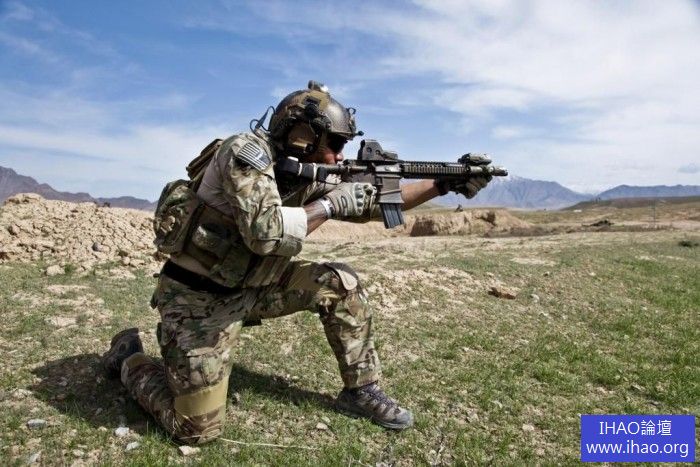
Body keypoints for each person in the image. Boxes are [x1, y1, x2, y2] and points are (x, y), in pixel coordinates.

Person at [102, 81, 491, 444]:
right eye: (335, 143)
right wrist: (329, 205)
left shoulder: (306, 171)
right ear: (303, 136)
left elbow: (377, 204)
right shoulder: (244, 154)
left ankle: (361, 390)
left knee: (339, 282)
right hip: (199, 299)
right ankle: (129, 358)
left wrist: (444, 184)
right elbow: (266, 234)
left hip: (255, 287)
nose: (340, 155)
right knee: (195, 429)